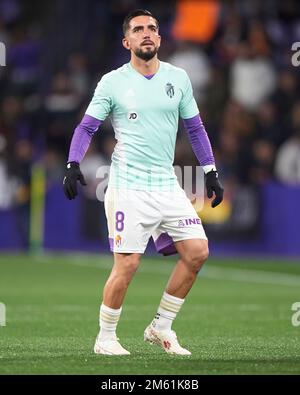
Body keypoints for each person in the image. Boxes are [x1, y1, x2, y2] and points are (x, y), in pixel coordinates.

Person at [63, 9, 223, 356]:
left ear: (160, 38)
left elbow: (195, 128)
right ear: (127, 41)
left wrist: (209, 170)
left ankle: (161, 327)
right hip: (127, 184)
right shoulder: (112, 81)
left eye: (152, 28)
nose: (146, 33)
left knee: (197, 252)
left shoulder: (178, 77)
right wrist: (73, 162)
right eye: (138, 29)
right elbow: (87, 126)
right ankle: (105, 338)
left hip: (166, 183)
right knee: (129, 263)